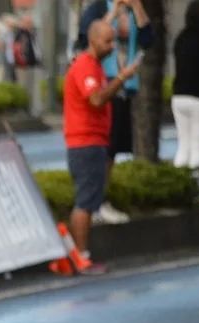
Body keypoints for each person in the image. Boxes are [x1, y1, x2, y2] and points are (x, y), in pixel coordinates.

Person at [63, 19, 141, 275]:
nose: (111, 46)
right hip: (85, 142)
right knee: (85, 202)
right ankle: (81, 257)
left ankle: (79, 255)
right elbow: (96, 99)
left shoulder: (94, 65)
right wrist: (121, 77)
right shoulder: (85, 65)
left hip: (93, 141)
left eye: (113, 40)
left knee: (89, 199)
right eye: (108, 41)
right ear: (93, 40)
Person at [74, 0, 154, 223]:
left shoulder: (132, 9)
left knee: (114, 147)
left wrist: (137, 8)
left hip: (125, 85)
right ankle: (95, 202)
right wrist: (112, 14)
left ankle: (100, 199)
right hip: (103, 81)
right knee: (103, 147)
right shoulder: (99, 8)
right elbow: (87, 38)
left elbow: (148, 40)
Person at [171, 0, 199, 206]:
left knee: (183, 146)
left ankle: (177, 191)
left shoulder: (180, 39)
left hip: (179, 98)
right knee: (198, 148)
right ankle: (195, 196)